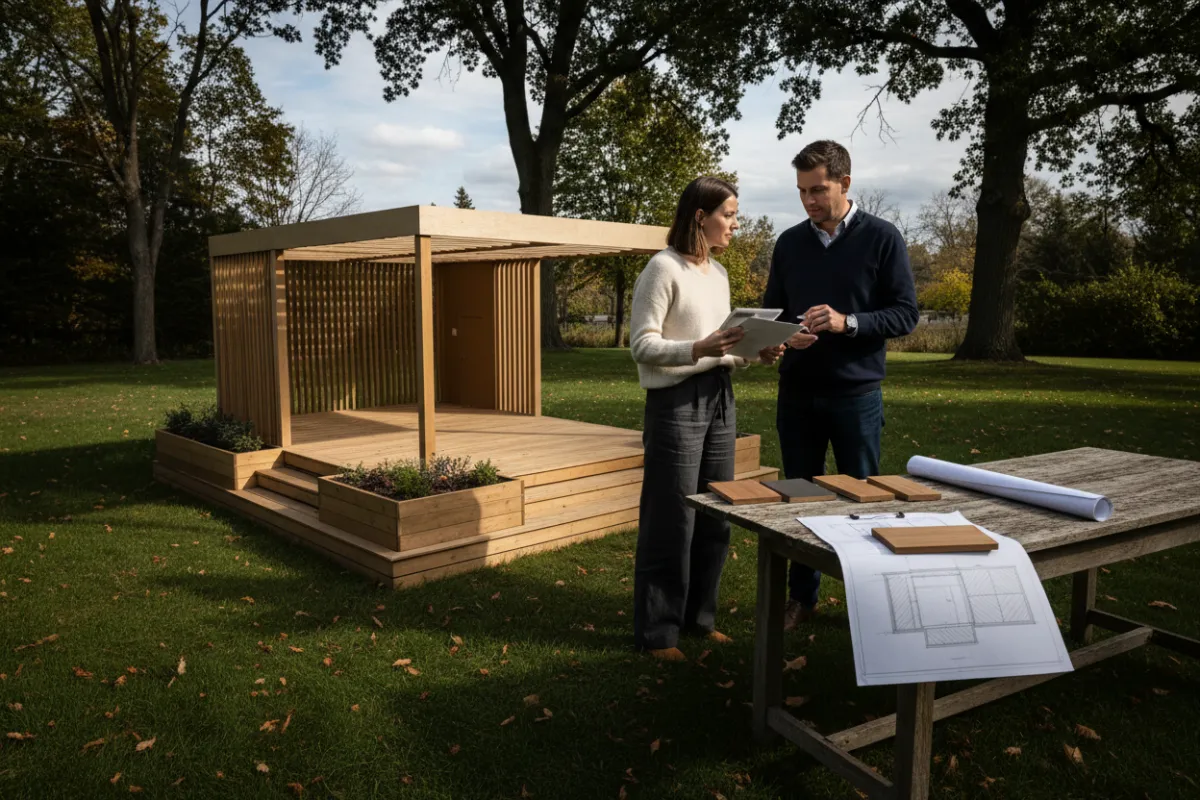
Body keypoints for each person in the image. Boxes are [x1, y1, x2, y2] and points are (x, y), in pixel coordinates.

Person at [763, 140, 919, 630]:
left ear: (845, 183)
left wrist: (846, 323)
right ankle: (801, 599)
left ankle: (870, 602)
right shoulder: (788, 243)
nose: (809, 200)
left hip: (856, 396)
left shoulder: (883, 238)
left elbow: (905, 314)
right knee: (802, 498)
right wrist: (789, 335)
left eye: (818, 189)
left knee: (862, 497)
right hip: (798, 394)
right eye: (802, 191)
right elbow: (775, 310)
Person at [630, 176, 785, 661]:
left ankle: (700, 618)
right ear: (701, 216)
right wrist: (696, 348)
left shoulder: (718, 275)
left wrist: (755, 352)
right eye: (730, 215)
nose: (736, 225)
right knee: (672, 517)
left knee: (718, 511)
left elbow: (724, 351)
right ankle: (659, 632)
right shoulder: (662, 268)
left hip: (720, 396)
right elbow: (642, 345)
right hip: (675, 402)